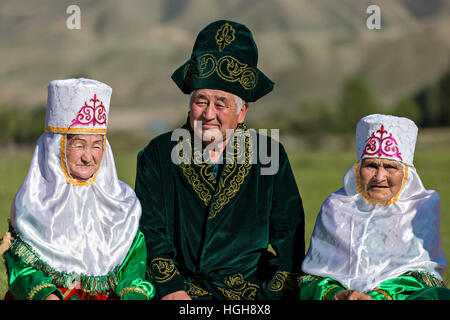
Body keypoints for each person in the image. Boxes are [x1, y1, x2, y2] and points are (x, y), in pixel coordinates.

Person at [136, 20, 305, 300]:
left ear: (242, 112)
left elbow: (290, 240)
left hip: (250, 292)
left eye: (221, 103)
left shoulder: (269, 154)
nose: (209, 113)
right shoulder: (159, 153)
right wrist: (171, 289)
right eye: (201, 101)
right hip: (179, 289)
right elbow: (150, 230)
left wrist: (275, 295)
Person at [4, 78, 155, 300]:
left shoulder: (123, 203)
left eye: (97, 145)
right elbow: (23, 270)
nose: (88, 157)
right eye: (79, 145)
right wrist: (46, 295)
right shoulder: (32, 202)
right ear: (57, 146)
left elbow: (134, 269)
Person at [300, 114, 450, 300]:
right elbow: (311, 278)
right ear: (358, 168)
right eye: (371, 165)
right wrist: (337, 294)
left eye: (390, 167)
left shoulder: (421, 206)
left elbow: (425, 276)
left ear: (407, 173)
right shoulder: (336, 206)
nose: (379, 177)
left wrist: (380, 296)